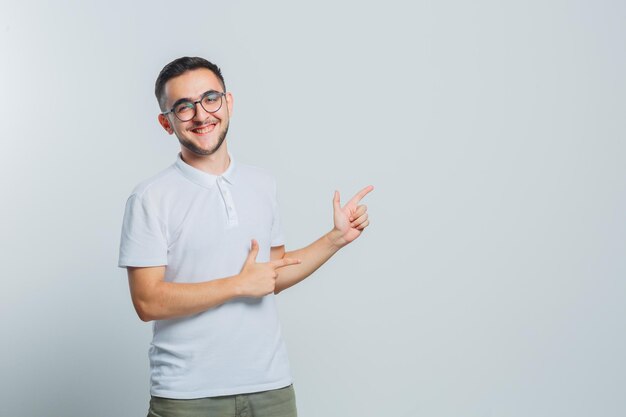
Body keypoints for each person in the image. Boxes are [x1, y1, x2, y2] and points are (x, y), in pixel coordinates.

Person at [118, 56, 373, 417]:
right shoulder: (150, 198)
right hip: (187, 395)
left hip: (270, 387)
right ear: (166, 122)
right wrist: (237, 285)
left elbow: (271, 276)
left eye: (210, 98)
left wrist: (336, 238)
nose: (201, 115)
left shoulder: (262, 184)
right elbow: (148, 302)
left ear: (229, 103)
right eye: (183, 107)